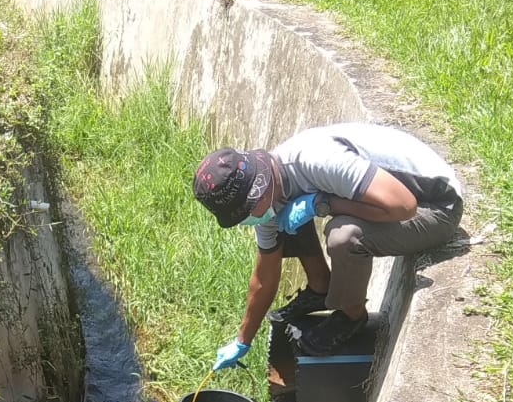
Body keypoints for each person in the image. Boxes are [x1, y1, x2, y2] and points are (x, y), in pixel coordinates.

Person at [192, 122, 463, 368]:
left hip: (435, 205)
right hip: (398, 201)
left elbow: (403, 206)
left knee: (344, 235)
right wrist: (243, 340)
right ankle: (320, 287)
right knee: (289, 219)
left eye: (245, 213)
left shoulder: (317, 162)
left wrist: (323, 203)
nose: (248, 220)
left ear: (257, 189)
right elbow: (265, 275)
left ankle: (351, 316)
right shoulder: (271, 194)